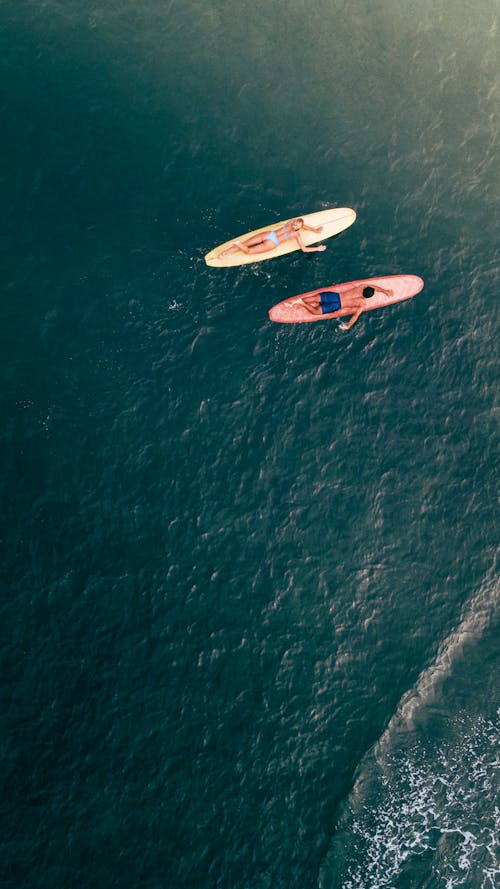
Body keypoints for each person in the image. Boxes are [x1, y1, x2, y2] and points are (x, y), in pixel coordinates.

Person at [297, 283, 394, 330]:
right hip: (337, 305)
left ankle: (299, 301)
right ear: (368, 297)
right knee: (316, 312)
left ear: (365, 289)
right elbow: (355, 316)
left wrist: (384, 290)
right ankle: (302, 304)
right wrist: (348, 326)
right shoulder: (362, 303)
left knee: (314, 299)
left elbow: (373, 287)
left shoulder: (361, 287)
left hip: (335, 296)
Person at [220, 217, 326, 256]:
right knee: (248, 251)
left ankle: (224, 253)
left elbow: (302, 225)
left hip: (268, 234)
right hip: (272, 243)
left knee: (246, 243)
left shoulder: (291, 222)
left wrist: (313, 229)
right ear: (300, 228)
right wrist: (318, 248)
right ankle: (238, 244)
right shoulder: (296, 234)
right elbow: (304, 249)